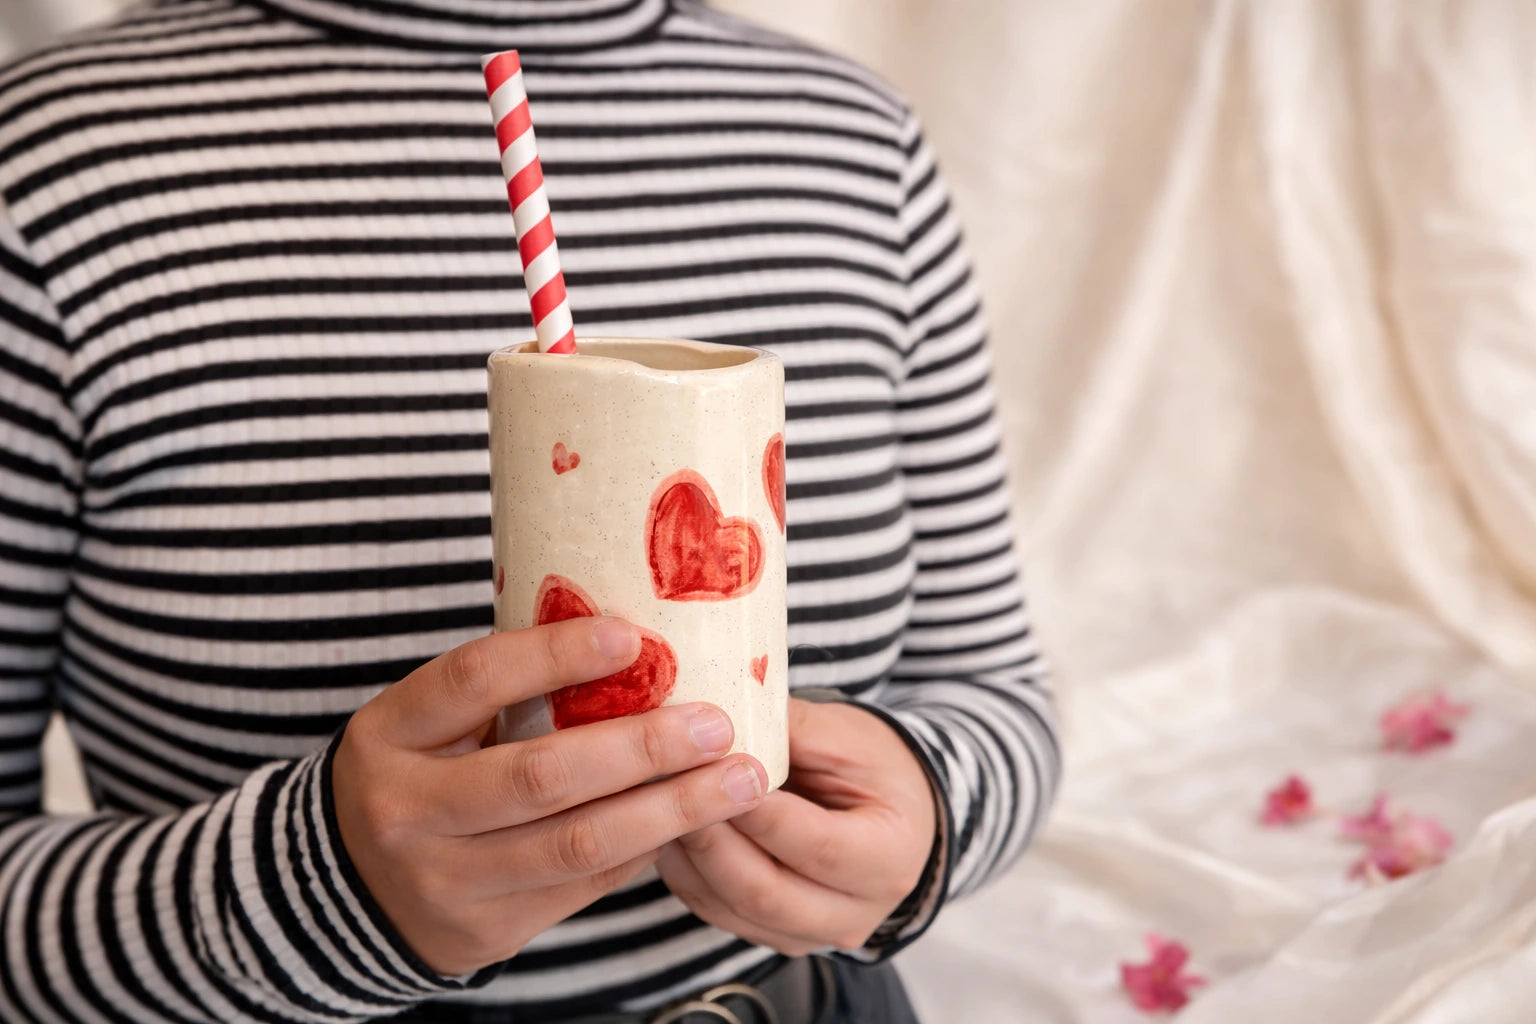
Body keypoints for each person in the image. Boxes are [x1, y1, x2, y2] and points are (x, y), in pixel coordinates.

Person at [0, 0, 1060, 1021]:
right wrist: (317, 894)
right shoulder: (44, 167)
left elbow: (995, 689)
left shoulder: (855, 147)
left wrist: (929, 812)